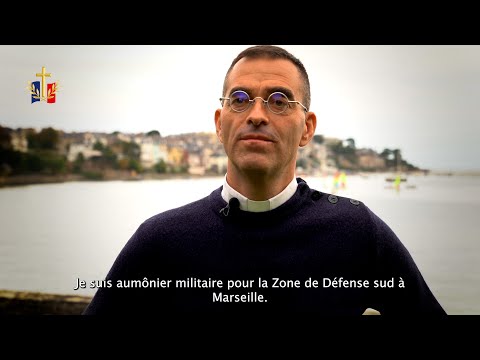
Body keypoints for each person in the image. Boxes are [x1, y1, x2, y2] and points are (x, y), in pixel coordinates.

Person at [83, 45, 446, 315]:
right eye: (239, 99)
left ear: (307, 128)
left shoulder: (358, 231)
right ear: (219, 123)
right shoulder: (160, 240)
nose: (257, 114)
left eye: (279, 100)